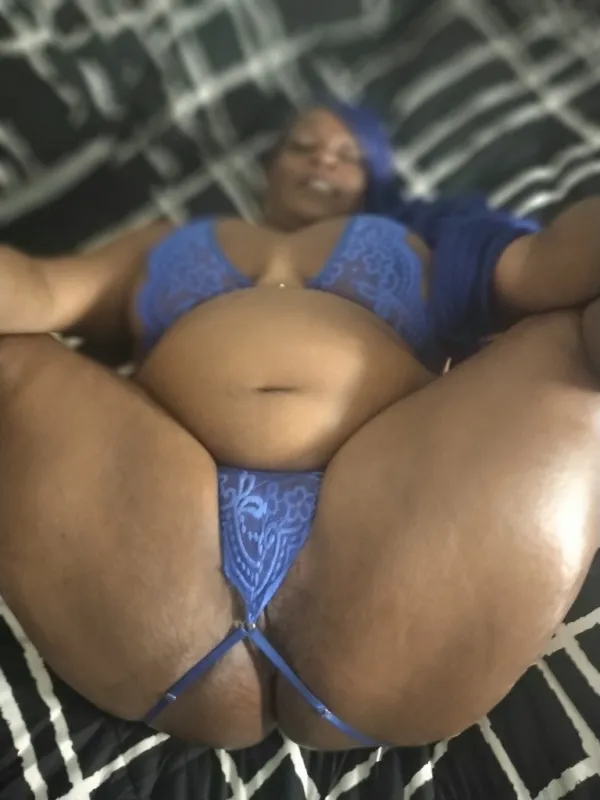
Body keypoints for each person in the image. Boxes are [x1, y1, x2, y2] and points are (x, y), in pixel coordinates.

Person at [1, 99, 600, 753]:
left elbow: (544, 265)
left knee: (578, 334)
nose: (322, 161)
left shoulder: (424, 240)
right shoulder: (162, 241)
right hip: (152, 545)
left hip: (395, 556)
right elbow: (40, 289)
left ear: (375, 177)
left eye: (346, 155)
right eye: (304, 146)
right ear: (270, 166)